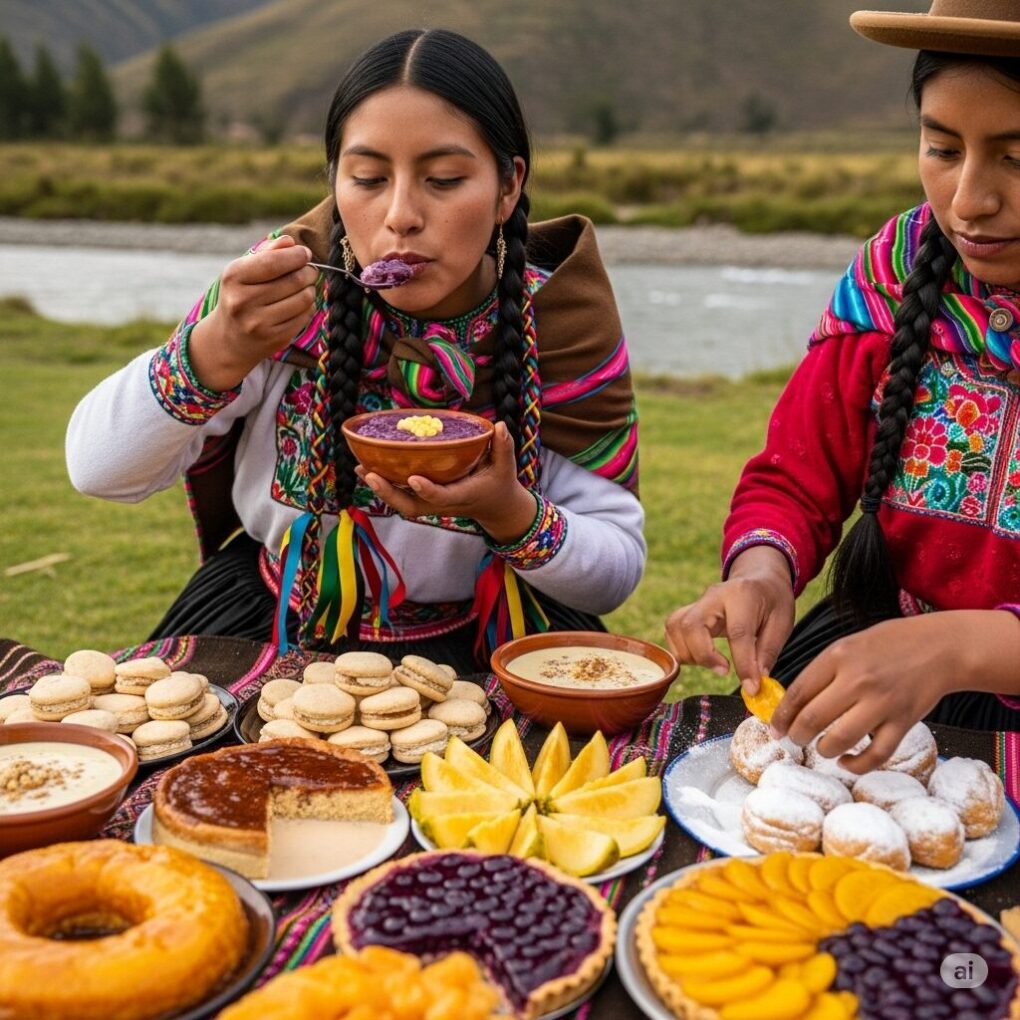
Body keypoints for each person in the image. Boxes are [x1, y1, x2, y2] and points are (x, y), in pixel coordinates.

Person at [66, 29, 644, 675]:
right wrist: (218, 349)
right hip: (269, 623)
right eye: (367, 177)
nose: (400, 215)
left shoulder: (562, 322)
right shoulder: (280, 294)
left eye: (445, 179)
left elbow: (614, 574)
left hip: (490, 639)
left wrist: (506, 509)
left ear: (509, 186)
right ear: (334, 182)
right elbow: (100, 471)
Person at [665, 1, 1020, 773]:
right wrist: (762, 573)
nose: (969, 201)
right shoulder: (896, 276)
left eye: (1016, 158)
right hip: (877, 658)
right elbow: (796, 476)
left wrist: (957, 647)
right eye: (941, 148)